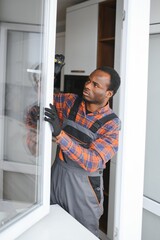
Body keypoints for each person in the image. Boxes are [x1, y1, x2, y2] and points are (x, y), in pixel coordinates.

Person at [44, 66, 121, 237]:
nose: (87, 86)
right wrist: (49, 77)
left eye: (96, 85)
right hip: (57, 177)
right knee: (51, 228)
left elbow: (91, 161)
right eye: (88, 81)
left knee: (81, 234)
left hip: (84, 189)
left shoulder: (111, 124)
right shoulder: (71, 102)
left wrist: (59, 134)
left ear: (109, 93)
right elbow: (41, 97)